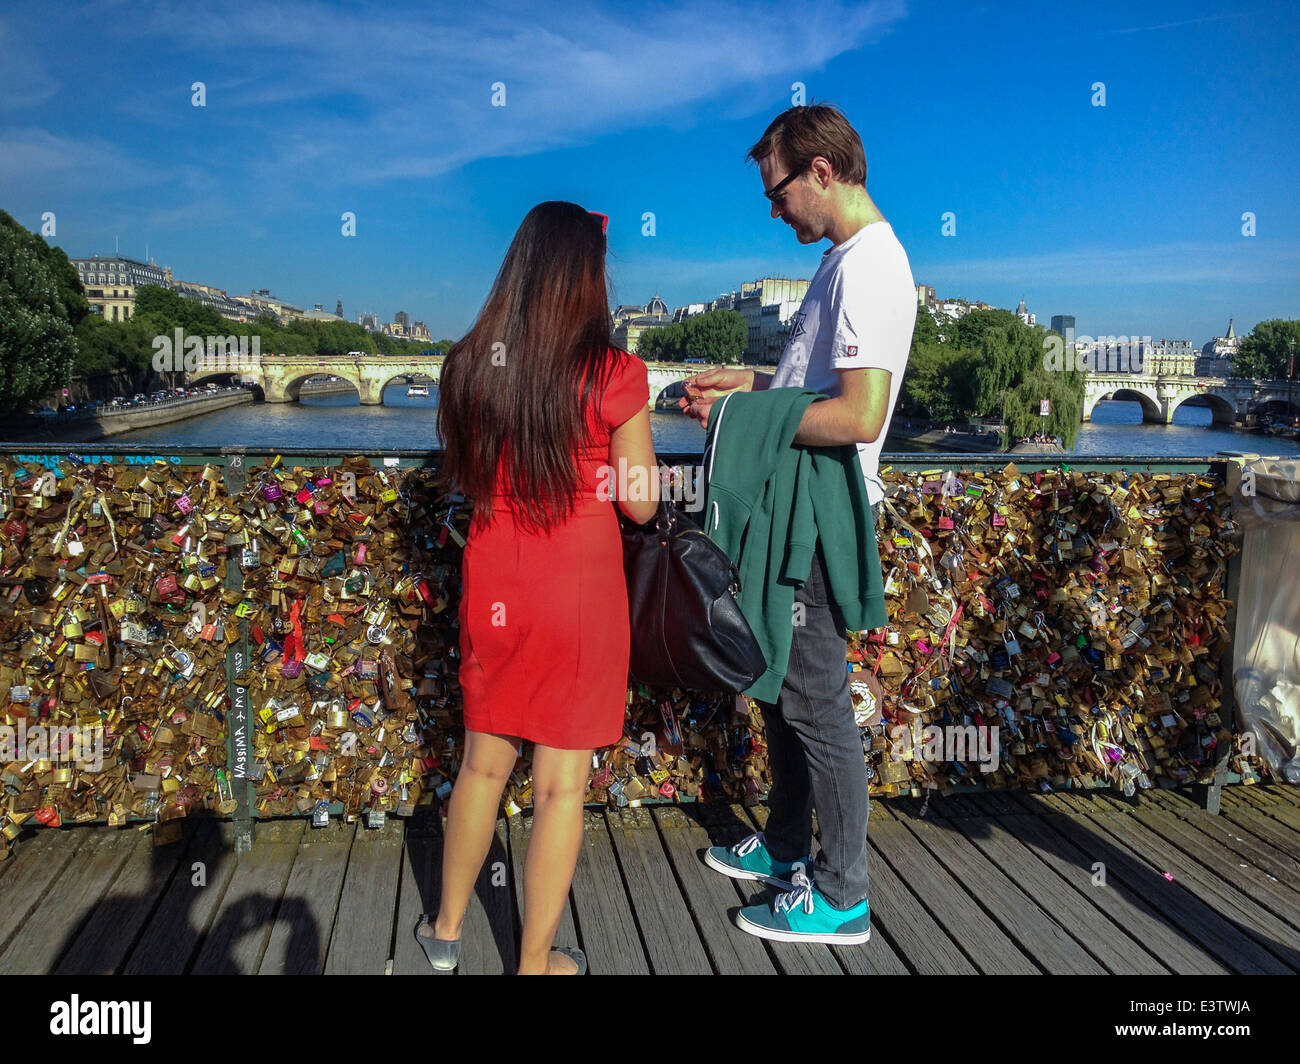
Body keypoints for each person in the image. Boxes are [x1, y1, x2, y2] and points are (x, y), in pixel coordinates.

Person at [680, 103, 915, 943]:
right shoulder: (842, 260)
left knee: (814, 700)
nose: (773, 211)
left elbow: (856, 416)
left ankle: (844, 893)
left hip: (819, 512)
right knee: (778, 687)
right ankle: (786, 849)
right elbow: (816, 384)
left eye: (777, 192)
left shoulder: (870, 267)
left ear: (820, 170)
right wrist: (746, 382)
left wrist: (744, 416)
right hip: (799, 503)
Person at [422, 202, 659, 975]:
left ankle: (446, 934)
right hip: (580, 597)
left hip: (495, 582)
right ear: (588, 278)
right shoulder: (614, 374)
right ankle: (534, 966)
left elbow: (462, 470)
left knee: (481, 765)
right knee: (561, 789)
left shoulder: (467, 366)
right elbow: (640, 501)